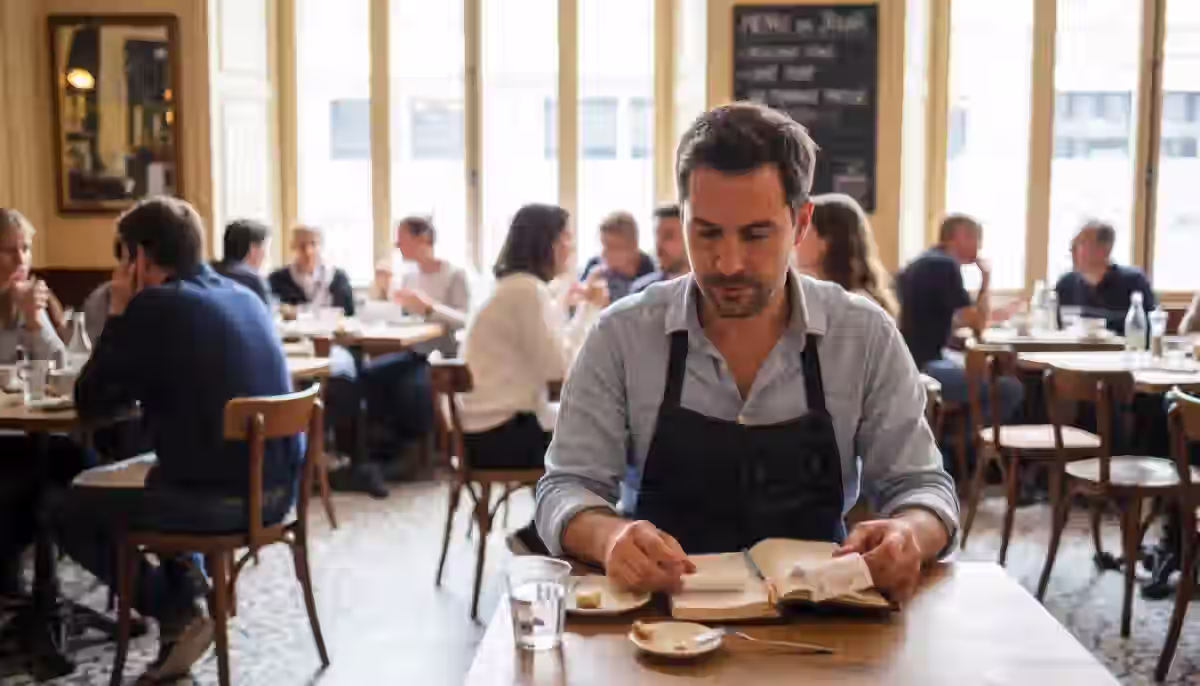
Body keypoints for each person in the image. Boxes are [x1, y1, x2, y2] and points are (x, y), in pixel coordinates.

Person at [535, 103, 957, 603]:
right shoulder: (623, 335)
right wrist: (608, 537)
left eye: (756, 235)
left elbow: (925, 488)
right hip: (659, 631)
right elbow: (564, 487)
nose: (728, 263)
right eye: (707, 232)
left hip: (823, 628)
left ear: (800, 225)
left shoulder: (862, 335)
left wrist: (909, 533)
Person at [54, 197, 301, 683]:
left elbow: (92, 402)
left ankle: (177, 610)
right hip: (277, 493)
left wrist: (121, 311)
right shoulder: (241, 294)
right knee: (144, 464)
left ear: (139, 258)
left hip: (220, 501)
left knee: (68, 507)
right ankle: (186, 593)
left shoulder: (155, 305)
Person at [461, 204, 607, 468]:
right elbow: (561, 369)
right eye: (566, 238)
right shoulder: (527, 292)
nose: (571, 247)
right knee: (606, 433)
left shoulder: (515, 287)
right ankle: (583, 508)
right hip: (501, 434)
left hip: (484, 430)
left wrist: (582, 309)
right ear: (547, 243)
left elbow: (558, 354)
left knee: (594, 425)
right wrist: (591, 309)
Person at [0, 208, 77, 597]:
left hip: (34, 431)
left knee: (66, 460)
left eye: (26, 248)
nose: (21, 260)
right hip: (5, 435)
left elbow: (61, 368)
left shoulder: (36, 298)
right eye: (9, 251)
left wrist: (33, 320)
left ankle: (32, 592)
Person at [896, 215, 1023, 448]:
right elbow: (978, 324)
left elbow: (944, 319)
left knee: (980, 369)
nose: (980, 247)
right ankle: (958, 443)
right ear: (960, 236)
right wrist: (986, 279)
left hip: (910, 362)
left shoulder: (923, 261)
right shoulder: (945, 265)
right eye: (977, 239)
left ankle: (950, 439)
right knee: (1011, 388)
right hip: (926, 368)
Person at [372, 216, 471, 355]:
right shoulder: (409, 276)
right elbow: (398, 316)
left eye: (402, 239)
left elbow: (465, 321)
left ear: (422, 239)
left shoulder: (455, 274)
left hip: (440, 354)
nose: (397, 245)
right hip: (411, 350)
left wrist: (429, 308)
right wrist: (383, 289)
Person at [793, 193, 899, 319]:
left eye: (804, 230)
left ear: (826, 241)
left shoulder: (859, 308)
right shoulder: (816, 297)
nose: (795, 240)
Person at [1055, 221, 1155, 334]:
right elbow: (1055, 328)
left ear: (1105, 249)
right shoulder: (1066, 284)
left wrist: (1096, 324)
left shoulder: (1134, 282)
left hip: (1119, 350)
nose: (1072, 250)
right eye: (1072, 244)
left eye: (1080, 243)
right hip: (1072, 351)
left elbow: (1148, 327)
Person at [268, 224, 355, 316]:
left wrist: (296, 311)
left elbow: (348, 314)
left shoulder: (339, 278)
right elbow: (273, 314)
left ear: (321, 245)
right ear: (292, 246)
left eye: (313, 244)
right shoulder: (277, 279)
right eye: (302, 245)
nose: (308, 251)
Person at [580, 211, 655, 301]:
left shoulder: (651, 274)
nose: (603, 254)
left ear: (633, 246)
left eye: (612, 247)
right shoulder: (594, 266)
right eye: (602, 245)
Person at [630, 204, 690, 295]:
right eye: (657, 236)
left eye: (668, 236)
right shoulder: (642, 292)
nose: (659, 246)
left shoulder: (711, 292)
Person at [212, 218, 271, 303]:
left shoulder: (209, 273)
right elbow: (267, 315)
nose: (265, 255)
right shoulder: (255, 282)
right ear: (253, 248)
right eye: (264, 247)